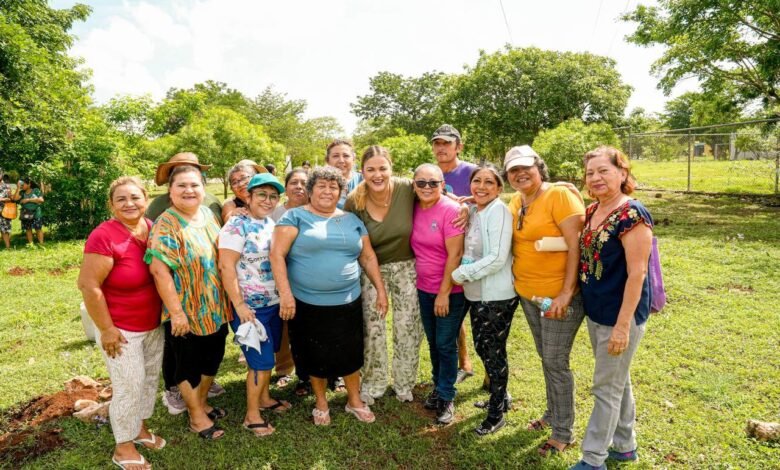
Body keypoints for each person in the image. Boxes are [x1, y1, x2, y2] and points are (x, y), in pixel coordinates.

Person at [270, 166, 388, 426]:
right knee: (314, 354)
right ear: (310, 190)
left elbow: (367, 256)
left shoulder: (352, 220)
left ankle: (354, 400)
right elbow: (277, 255)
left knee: (351, 352)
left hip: (348, 301)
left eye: (333, 186)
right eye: (321, 186)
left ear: (340, 191)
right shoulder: (295, 217)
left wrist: (380, 289)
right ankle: (321, 402)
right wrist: (286, 295)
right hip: (307, 303)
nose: (327, 191)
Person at [570, 146, 653, 470]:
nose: (596, 178)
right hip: (597, 311)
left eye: (604, 170)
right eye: (590, 173)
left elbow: (638, 273)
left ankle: (593, 459)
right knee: (618, 380)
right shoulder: (593, 211)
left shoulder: (632, 214)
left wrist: (622, 326)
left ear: (623, 172)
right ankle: (625, 446)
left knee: (605, 387)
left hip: (621, 316)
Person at [78, 176, 165, 470]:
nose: (130, 204)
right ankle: (123, 447)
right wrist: (106, 329)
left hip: (153, 325)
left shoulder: (150, 228)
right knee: (129, 385)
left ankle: (138, 429)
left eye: (135, 197)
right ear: (111, 205)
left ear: (146, 198)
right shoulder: (104, 236)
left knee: (149, 380)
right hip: (122, 329)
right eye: (121, 199)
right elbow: (89, 286)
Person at [505, 145, 586, 456]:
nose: (520, 174)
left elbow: (575, 246)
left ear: (539, 167)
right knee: (546, 358)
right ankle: (552, 415)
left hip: (557, 296)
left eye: (526, 167)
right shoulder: (517, 200)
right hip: (529, 293)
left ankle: (563, 431)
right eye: (513, 170)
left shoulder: (559, 195)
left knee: (556, 362)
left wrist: (567, 292)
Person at [146, 165, 231, 440]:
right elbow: (159, 271)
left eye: (194, 185)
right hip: (186, 310)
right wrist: (176, 312)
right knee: (189, 364)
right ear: (170, 191)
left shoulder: (207, 214)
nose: (189, 190)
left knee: (213, 358)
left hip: (216, 307)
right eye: (181, 185)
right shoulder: (166, 223)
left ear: (203, 189)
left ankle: (202, 403)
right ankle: (196, 417)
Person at [344, 146, 424, 405]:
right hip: (371, 268)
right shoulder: (354, 200)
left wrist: (462, 207)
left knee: (407, 325)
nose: (377, 175)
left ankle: (404, 383)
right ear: (362, 171)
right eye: (371, 169)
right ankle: (375, 382)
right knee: (373, 326)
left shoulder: (407, 188)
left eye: (382, 168)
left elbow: (438, 195)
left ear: (391, 168)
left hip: (406, 265)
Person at [218, 173, 290, 437]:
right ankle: (252, 415)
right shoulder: (236, 226)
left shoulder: (269, 223)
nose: (268, 200)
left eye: (273, 196)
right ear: (247, 197)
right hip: (250, 308)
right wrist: (239, 305)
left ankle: (264, 398)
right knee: (259, 363)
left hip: (272, 304)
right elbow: (226, 266)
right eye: (261, 195)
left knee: (267, 358)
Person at [451, 164, 518, 436]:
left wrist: (460, 273)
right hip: (477, 294)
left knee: (492, 353)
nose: (481, 186)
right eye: (477, 181)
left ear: (499, 188)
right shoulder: (478, 211)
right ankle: (500, 398)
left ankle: (496, 413)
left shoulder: (498, 211)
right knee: (485, 348)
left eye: (489, 182)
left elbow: (498, 257)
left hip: (496, 296)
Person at [411, 163, 466, 425]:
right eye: (421, 182)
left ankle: (447, 395)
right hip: (424, 288)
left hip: (450, 290)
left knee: (445, 343)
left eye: (433, 183)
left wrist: (444, 293)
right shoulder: (412, 207)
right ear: (413, 184)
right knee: (433, 342)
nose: (426, 187)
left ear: (443, 184)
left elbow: (455, 255)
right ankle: (438, 385)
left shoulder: (452, 210)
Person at [430, 124, 478, 385]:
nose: (441, 148)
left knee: (480, 312)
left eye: (447, 143)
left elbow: (492, 193)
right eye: (437, 143)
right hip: (445, 251)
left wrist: (467, 201)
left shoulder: (471, 171)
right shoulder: (432, 175)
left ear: (458, 146)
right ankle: (464, 359)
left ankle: (493, 374)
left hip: (475, 249)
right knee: (451, 310)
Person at [270, 168, 310, 395]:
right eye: (293, 182)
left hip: (306, 278)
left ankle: (310, 370)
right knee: (283, 324)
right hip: (278, 276)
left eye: (304, 182)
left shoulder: (316, 211)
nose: (299, 187)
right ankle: (284, 369)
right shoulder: (275, 213)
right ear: (285, 187)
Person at [145, 152, 222, 223]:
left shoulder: (212, 201)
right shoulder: (159, 203)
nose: (185, 173)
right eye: (178, 171)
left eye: (191, 169)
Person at [325, 139, 363, 209]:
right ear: (327, 160)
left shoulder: (363, 181)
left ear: (353, 159)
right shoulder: (319, 184)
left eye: (346, 156)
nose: (341, 161)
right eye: (335, 156)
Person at [14, 177, 44, 245]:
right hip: (26, 214)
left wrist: (27, 200)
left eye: (23, 184)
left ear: (29, 184)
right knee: (28, 229)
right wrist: (18, 188)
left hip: (36, 213)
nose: (22, 186)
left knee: (38, 228)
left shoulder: (35, 190)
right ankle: (31, 244)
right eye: (21, 184)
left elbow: (41, 200)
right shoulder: (22, 193)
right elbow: (15, 199)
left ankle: (41, 244)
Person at [0, 173, 12, 248]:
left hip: (4, 211)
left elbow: (11, 199)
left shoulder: (7, 186)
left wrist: (2, 199)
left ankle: (8, 247)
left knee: (5, 229)